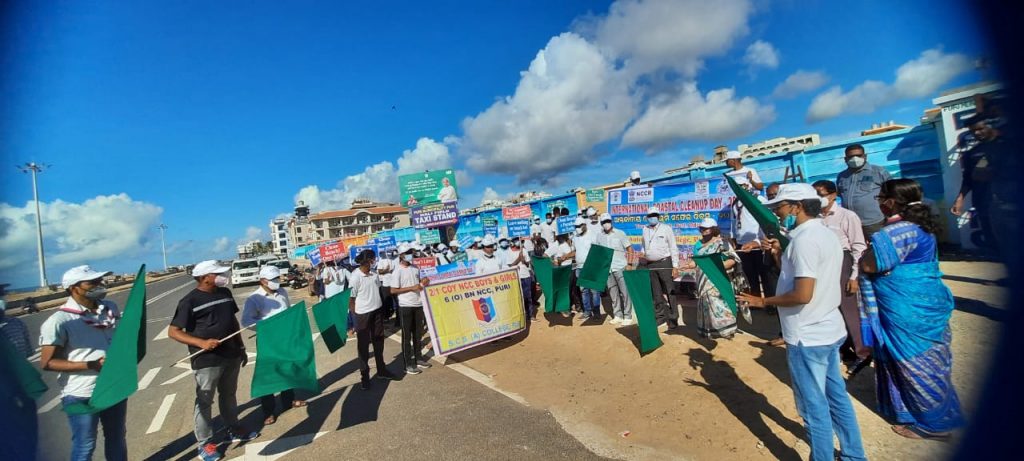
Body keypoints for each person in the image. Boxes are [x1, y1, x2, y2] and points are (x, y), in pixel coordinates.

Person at [738, 183, 866, 461]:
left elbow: (802, 294)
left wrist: (763, 301)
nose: (777, 213)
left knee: (813, 407)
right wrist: (779, 254)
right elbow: (800, 275)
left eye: (780, 207)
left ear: (797, 207)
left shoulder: (804, 241)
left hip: (807, 335)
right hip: (827, 329)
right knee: (836, 397)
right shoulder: (825, 233)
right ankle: (854, 455)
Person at [859, 178, 965, 440]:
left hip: (904, 306)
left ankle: (936, 425)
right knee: (932, 360)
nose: (879, 204)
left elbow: (870, 265)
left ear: (890, 202)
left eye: (880, 198)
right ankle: (935, 411)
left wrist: (863, 257)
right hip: (927, 300)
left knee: (913, 361)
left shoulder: (892, 234)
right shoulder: (922, 227)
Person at [169, 261, 258, 461]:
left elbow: (232, 322)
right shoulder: (189, 301)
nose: (222, 276)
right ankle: (205, 443)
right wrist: (201, 343)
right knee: (204, 401)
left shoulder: (225, 293)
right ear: (204, 277)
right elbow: (173, 331)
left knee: (228, 394)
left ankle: (233, 428)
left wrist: (241, 347)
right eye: (216, 273)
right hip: (206, 360)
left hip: (231, 354)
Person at [39, 265, 129, 461]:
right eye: (92, 283)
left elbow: (120, 338)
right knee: (85, 444)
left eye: (99, 280)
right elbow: (47, 362)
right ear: (74, 288)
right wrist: (91, 365)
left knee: (117, 437)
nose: (99, 285)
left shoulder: (110, 308)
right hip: (80, 394)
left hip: (113, 388)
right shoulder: (60, 321)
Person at [813, 179, 870, 368]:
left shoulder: (847, 216)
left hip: (842, 263)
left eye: (821, 194)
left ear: (833, 195)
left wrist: (854, 276)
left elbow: (858, 246)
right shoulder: (814, 218)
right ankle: (843, 350)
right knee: (830, 310)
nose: (817, 198)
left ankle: (862, 353)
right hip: (822, 265)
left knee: (849, 310)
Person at [241, 266, 306, 425]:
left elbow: (288, 310)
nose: (277, 281)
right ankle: (268, 411)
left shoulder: (282, 292)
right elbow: (246, 321)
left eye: (277, 278)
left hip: (285, 338)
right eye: (273, 279)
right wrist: (268, 324)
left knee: (287, 369)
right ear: (263, 281)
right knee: (268, 374)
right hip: (268, 341)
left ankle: (289, 400)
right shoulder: (254, 299)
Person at [950, 113, 1012, 253]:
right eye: (973, 131)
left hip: (1010, 201)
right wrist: (960, 199)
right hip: (984, 202)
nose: (977, 133)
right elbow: (968, 178)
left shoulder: (1009, 145)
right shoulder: (972, 153)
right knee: (992, 240)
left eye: (980, 129)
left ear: (990, 125)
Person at [685, 218, 750, 339]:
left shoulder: (722, 243)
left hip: (718, 278)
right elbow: (697, 261)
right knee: (706, 303)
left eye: (707, 228)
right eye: (702, 228)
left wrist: (715, 267)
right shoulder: (698, 244)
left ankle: (727, 329)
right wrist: (689, 265)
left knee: (718, 303)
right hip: (703, 279)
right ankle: (709, 331)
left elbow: (733, 260)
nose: (704, 230)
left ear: (713, 229)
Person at [349, 249, 398, 390]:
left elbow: (378, 291)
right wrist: (356, 317)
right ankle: (365, 377)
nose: (374, 261)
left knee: (378, 342)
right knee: (363, 346)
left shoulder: (374, 274)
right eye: (373, 259)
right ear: (367, 260)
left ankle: (382, 370)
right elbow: (351, 300)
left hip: (377, 312)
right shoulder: (355, 277)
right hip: (362, 315)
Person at [391, 244, 432, 375]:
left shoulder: (415, 268)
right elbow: (393, 290)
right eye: (407, 252)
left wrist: (424, 281)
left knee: (417, 333)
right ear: (401, 255)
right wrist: (412, 288)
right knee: (406, 336)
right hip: (405, 306)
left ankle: (418, 358)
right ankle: (407, 364)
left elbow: (419, 283)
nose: (410, 254)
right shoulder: (397, 271)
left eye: (411, 252)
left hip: (418, 304)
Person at [837, 143, 892, 237]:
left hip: (874, 222)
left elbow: (892, 192)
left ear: (865, 156)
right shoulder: (842, 176)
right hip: (850, 223)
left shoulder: (878, 171)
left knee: (879, 244)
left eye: (858, 155)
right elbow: (840, 195)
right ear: (845, 159)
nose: (855, 159)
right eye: (851, 156)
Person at [639, 206, 680, 329]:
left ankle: (673, 319)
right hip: (650, 264)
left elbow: (673, 247)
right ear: (647, 218)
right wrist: (642, 254)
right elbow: (643, 245)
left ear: (658, 216)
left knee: (669, 291)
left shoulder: (666, 229)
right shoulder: (645, 229)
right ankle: (660, 317)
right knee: (655, 292)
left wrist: (675, 266)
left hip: (664, 263)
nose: (652, 218)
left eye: (654, 215)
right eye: (650, 216)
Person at [596, 213, 634, 325]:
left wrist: (629, 264)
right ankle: (618, 315)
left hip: (620, 267)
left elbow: (629, 249)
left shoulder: (620, 233)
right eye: (604, 222)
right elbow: (598, 252)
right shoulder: (599, 236)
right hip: (607, 269)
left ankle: (628, 316)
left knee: (625, 292)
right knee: (613, 293)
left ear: (611, 221)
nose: (606, 224)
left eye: (608, 221)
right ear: (601, 224)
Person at [571, 217, 602, 320]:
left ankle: (596, 313)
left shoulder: (592, 235)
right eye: (576, 226)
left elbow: (598, 251)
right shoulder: (575, 237)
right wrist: (565, 256)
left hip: (591, 267)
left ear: (584, 225)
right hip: (579, 267)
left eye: (579, 226)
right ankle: (587, 311)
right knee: (584, 290)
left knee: (594, 291)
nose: (577, 228)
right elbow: (575, 251)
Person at [505, 238, 534, 320]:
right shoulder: (509, 252)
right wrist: (518, 259)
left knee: (528, 296)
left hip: (526, 276)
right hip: (515, 277)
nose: (519, 242)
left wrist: (523, 260)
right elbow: (509, 266)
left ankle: (531, 315)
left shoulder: (524, 250)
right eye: (517, 240)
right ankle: (522, 315)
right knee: (518, 297)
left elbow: (528, 264)